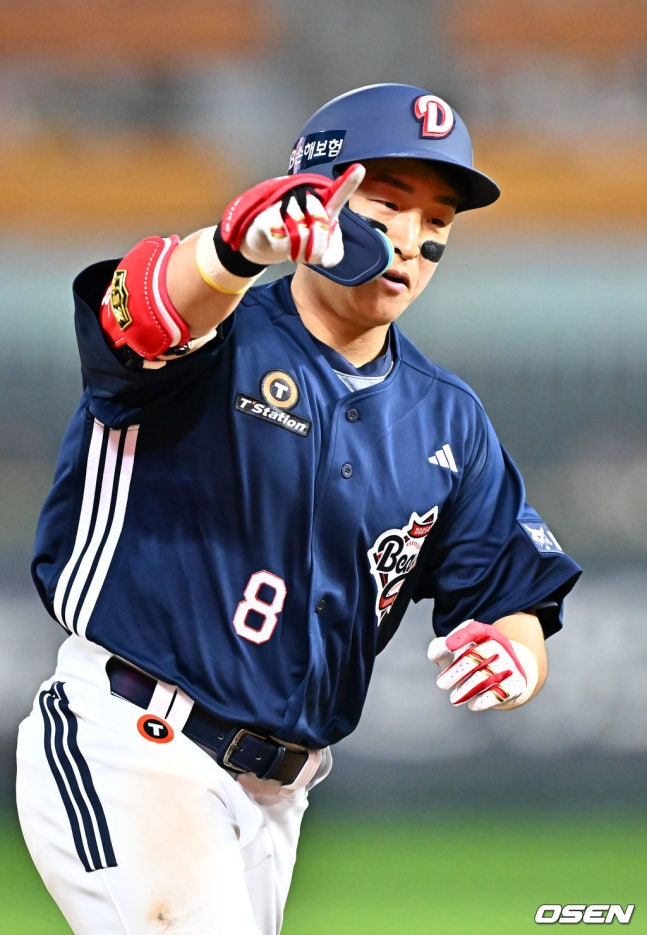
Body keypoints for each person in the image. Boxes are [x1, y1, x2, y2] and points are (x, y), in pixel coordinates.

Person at [16, 83, 581, 934]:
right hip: (131, 741)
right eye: (387, 204)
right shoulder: (223, 328)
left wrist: (514, 657)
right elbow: (140, 317)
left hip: (279, 794)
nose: (412, 240)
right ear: (322, 195)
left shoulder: (444, 417)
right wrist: (234, 250)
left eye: (437, 223)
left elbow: (511, 593)